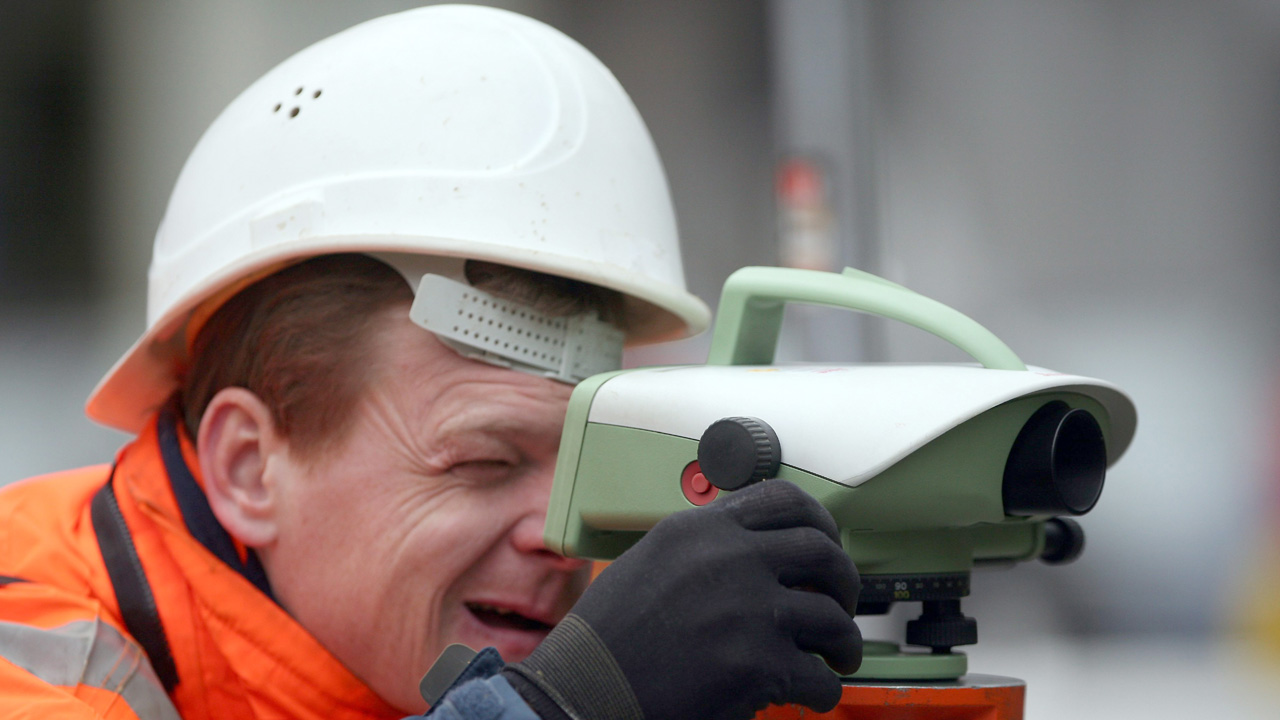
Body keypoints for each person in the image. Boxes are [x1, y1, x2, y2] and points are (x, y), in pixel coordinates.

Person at [0, 6, 861, 719]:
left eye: (585, 467)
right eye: (486, 461)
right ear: (249, 466)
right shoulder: (29, 645)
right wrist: (573, 702)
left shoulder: (392, 642)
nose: (562, 537)